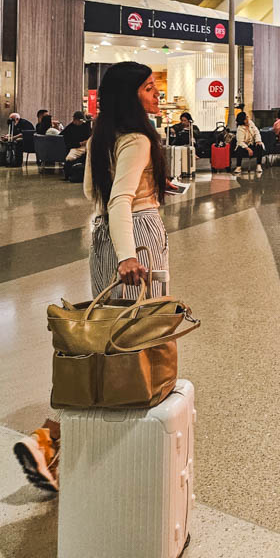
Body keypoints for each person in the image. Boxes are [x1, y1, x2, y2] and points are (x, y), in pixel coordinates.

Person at [13, 62, 168, 492]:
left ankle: (48, 440)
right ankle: (107, 450)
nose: (157, 94)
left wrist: (151, 186)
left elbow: (93, 194)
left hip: (102, 237)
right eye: (149, 88)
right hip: (134, 239)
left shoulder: (103, 135)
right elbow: (121, 200)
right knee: (140, 340)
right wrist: (129, 254)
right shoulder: (138, 138)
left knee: (102, 342)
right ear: (130, 96)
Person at [60, 111, 92, 181]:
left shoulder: (85, 126)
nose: (81, 123)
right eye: (79, 121)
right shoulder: (69, 129)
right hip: (75, 147)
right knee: (70, 158)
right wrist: (80, 143)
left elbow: (90, 136)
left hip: (86, 146)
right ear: (75, 120)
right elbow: (67, 142)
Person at [233, 111, 265, 176]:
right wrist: (247, 149)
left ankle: (259, 165)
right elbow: (240, 141)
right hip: (244, 146)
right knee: (239, 148)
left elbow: (256, 132)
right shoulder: (240, 129)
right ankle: (238, 167)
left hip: (252, 143)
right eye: (246, 117)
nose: (248, 118)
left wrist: (258, 141)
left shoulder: (251, 123)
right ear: (244, 120)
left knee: (259, 145)